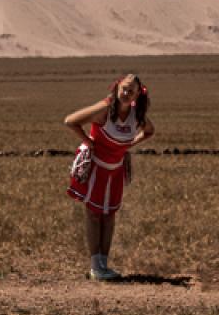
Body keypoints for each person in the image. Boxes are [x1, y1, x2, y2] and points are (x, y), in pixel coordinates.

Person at [64, 73, 153, 280]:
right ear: (117, 87)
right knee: (94, 215)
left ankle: (104, 263)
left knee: (109, 215)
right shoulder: (105, 108)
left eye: (131, 90)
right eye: (124, 88)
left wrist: (128, 145)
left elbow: (149, 131)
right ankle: (95, 266)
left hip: (116, 170)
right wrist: (88, 141)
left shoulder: (136, 114)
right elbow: (70, 121)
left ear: (137, 94)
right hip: (97, 168)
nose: (126, 93)